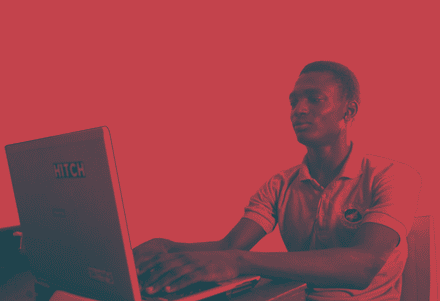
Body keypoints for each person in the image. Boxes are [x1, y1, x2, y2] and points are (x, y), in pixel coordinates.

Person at [133, 61, 421, 300]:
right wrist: (167, 247)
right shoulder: (280, 184)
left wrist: (237, 262)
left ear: (348, 112)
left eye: (314, 99)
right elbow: (231, 246)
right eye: (294, 102)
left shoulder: (393, 176)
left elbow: (363, 265)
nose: (299, 109)